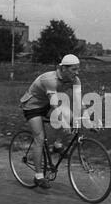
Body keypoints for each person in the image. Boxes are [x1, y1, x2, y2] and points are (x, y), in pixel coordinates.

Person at [20, 54, 92, 189]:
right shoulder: (50, 79)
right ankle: (39, 176)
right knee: (39, 138)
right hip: (33, 106)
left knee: (70, 117)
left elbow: (79, 102)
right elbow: (54, 105)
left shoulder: (75, 80)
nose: (77, 73)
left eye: (78, 69)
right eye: (74, 69)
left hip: (47, 104)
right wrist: (63, 124)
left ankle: (57, 144)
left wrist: (87, 120)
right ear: (63, 68)